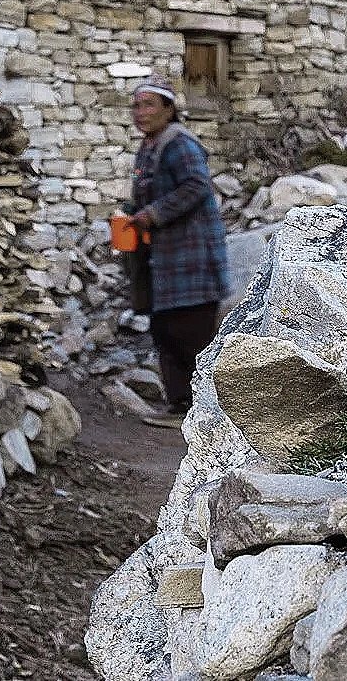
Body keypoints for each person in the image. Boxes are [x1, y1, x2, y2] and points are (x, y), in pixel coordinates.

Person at [124, 74, 229, 430]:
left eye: (149, 104)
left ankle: (208, 412)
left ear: (169, 109)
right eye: (136, 106)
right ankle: (181, 405)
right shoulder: (151, 146)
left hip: (192, 258)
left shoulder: (179, 144)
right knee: (165, 329)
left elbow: (197, 185)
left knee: (191, 333)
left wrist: (152, 215)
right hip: (165, 260)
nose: (141, 113)